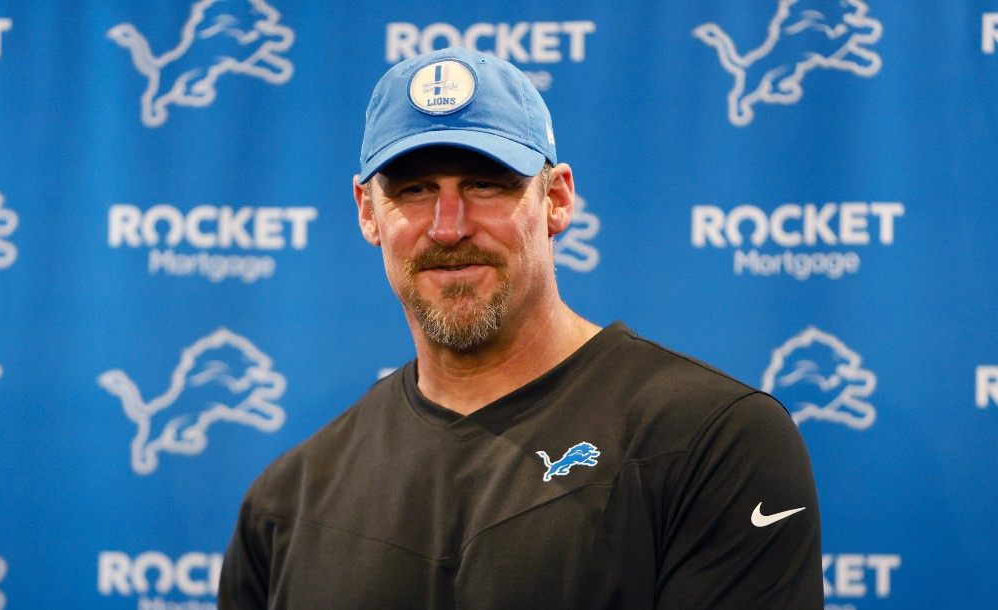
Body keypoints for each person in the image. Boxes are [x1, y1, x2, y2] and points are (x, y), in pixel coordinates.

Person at [219, 47, 822, 608]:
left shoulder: (712, 442)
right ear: (367, 213)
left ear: (556, 198)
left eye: (486, 184)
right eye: (414, 190)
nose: (448, 227)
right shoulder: (287, 502)